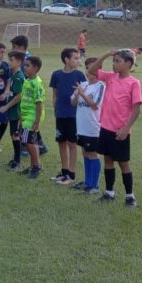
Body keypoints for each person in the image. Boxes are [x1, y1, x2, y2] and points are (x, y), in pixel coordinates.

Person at [86, 49, 142, 206]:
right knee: (108, 160)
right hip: (106, 128)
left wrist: (126, 128)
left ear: (128, 64)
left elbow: (136, 108)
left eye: (118, 61)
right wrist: (106, 54)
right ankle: (109, 193)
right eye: (114, 60)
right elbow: (91, 70)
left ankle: (130, 196)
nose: (114, 63)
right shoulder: (111, 77)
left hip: (120, 130)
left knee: (123, 163)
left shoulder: (133, 83)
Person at [50, 48, 87, 185]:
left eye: (79, 58)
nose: (78, 61)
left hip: (73, 116)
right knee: (61, 143)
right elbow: (55, 96)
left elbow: (82, 96)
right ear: (66, 59)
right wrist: (56, 110)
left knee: (72, 144)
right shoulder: (56, 75)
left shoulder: (79, 75)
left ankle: (71, 174)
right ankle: (64, 171)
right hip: (60, 115)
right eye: (76, 58)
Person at [72, 57, 105, 194]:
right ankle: (87, 181)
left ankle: (94, 185)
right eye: (87, 68)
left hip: (93, 127)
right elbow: (73, 103)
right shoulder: (83, 84)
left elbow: (94, 105)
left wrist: (82, 94)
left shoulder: (101, 86)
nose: (90, 71)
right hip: (81, 126)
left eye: (93, 69)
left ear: (99, 70)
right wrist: (76, 95)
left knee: (92, 154)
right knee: (85, 153)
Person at [18, 56, 46, 179]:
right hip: (25, 116)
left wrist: (37, 121)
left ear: (35, 68)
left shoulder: (37, 83)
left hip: (32, 116)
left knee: (28, 142)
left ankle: (37, 166)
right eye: (24, 65)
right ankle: (32, 166)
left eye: (27, 65)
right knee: (29, 141)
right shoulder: (27, 80)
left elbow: (39, 104)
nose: (25, 67)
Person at [0, 51, 27, 171]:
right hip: (13, 112)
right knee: (13, 135)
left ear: (19, 62)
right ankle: (15, 159)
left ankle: (18, 162)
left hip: (17, 112)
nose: (9, 62)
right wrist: (5, 94)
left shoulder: (19, 77)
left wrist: (6, 106)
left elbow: (19, 96)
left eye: (12, 60)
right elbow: (11, 90)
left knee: (16, 136)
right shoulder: (13, 74)